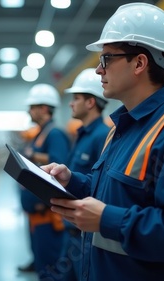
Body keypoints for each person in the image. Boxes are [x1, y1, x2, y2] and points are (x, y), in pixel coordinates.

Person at [42, 3, 164, 281]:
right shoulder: (122, 129)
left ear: (139, 63)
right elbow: (111, 191)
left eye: (106, 59)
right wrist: (72, 182)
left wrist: (107, 219)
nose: (98, 71)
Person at [59, 68, 110, 280]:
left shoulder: (103, 136)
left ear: (90, 103)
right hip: (71, 231)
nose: (71, 103)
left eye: (76, 98)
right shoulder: (83, 134)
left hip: (87, 234)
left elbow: (101, 186)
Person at [19, 83, 71, 280]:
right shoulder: (41, 133)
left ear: (44, 108)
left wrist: (34, 156)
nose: (29, 111)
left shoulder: (55, 134)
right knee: (41, 259)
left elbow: (58, 166)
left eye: (32, 106)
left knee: (49, 264)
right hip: (36, 211)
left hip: (47, 213)